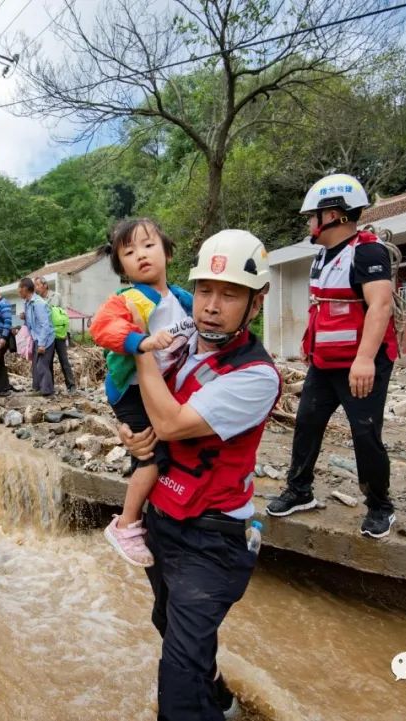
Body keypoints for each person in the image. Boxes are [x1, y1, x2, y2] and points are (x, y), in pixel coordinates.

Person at [119, 229, 280, 721]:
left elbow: (170, 421)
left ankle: (200, 701)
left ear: (255, 304)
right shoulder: (184, 338)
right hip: (164, 519)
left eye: (229, 294)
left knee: (179, 682)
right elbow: (150, 417)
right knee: (168, 622)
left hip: (212, 540)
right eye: (205, 291)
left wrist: (140, 351)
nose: (211, 305)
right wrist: (134, 435)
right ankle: (226, 702)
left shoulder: (256, 375)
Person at [265, 173, 399, 539]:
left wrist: (365, 360)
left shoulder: (368, 252)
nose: (309, 223)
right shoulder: (322, 256)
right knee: (307, 422)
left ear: (335, 215)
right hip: (324, 364)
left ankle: (380, 506)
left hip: (361, 364)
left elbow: (380, 306)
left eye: (313, 216)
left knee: (365, 432)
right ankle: (299, 489)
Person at [90, 218, 193, 567]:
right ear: (123, 267)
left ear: (166, 250)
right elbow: (102, 326)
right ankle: (126, 523)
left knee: (170, 449)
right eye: (129, 253)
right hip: (131, 391)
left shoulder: (180, 298)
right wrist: (140, 340)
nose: (141, 256)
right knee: (151, 458)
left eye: (149, 246)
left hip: (163, 389)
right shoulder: (130, 297)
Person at [35, 275, 76, 393]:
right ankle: (49, 386)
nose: (36, 288)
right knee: (47, 362)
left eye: (38, 285)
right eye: (35, 285)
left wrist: (66, 332)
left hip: (58, 334)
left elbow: (64, 314)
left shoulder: (56, 296)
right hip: (46, 336)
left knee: (64, 360)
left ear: (45, 285)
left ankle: (71, 385)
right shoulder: (37, 300)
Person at [18, 277, 55, 397]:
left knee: (42, 365)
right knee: (35, 364)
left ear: (25, 289)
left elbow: (45, 325)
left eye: (19, 288)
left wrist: (42, 344)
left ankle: (47, 391)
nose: (18, 291)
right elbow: (31, 323)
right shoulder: (28, 303)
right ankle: (37, 388)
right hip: (36, 338)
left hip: (45, 339)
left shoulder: (38, 303)